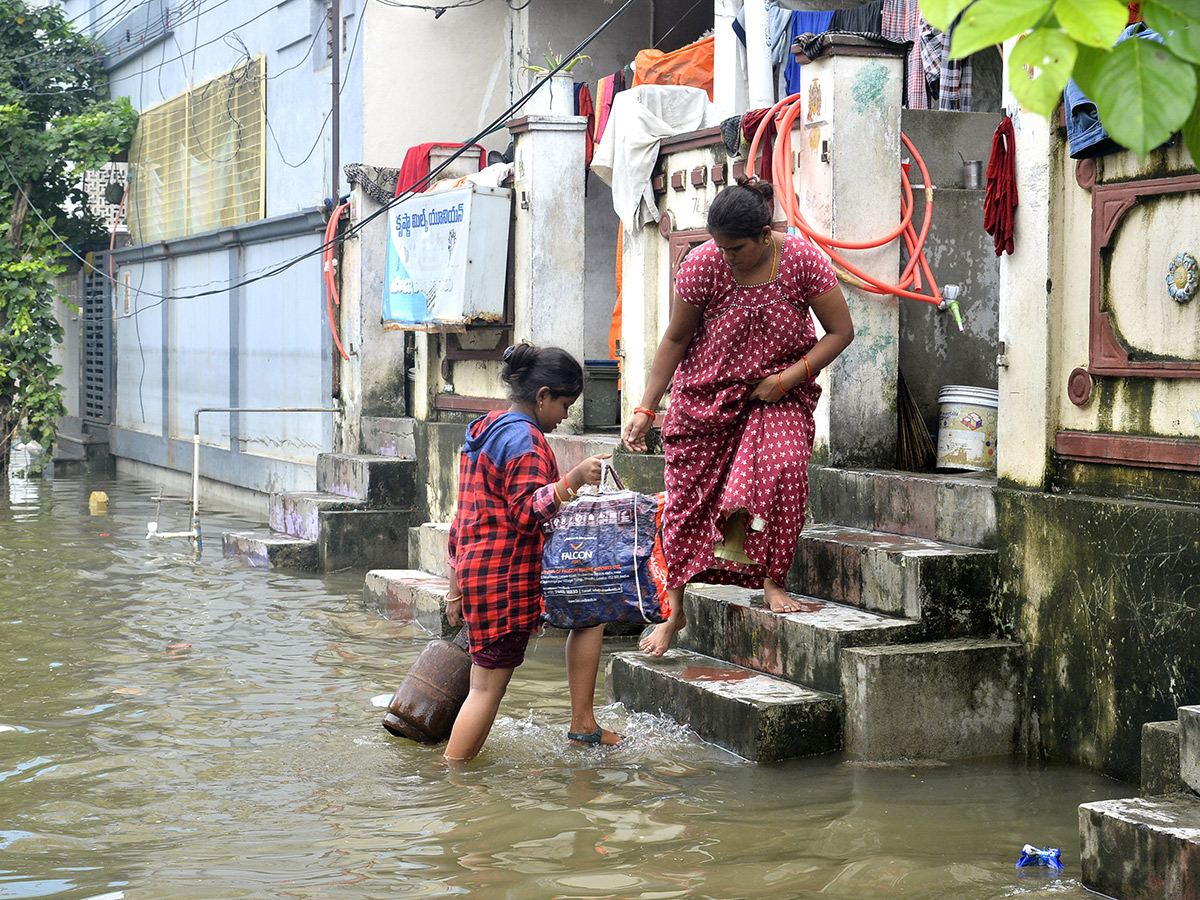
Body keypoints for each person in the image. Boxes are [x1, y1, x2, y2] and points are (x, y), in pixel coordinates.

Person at [622, 178, 854, 657]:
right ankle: (675, 608)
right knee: (689, 503)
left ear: (765, 235)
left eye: (736, 248)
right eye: (720, 245)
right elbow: (675, 340)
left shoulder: (803, 261)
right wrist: (647, 406)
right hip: (706, 398)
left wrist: (787, 380)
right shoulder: (703, 265)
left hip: (779, 394)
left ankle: (773, 581)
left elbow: (840, 331)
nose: (725, 256)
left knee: (786, 469)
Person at [442, 343, 620, 762]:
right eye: (563, 404)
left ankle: (583, 725)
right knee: (486, 688)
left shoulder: (488, 428)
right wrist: (572, 480)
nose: (564, 417)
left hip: (480, 571)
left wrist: (454, 586)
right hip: (504, 578)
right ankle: (450, 777)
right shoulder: (524, 439)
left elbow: (462, 516)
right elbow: (526, 512)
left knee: (588, 611)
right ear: (541, 396)